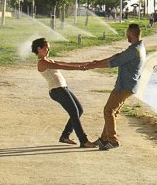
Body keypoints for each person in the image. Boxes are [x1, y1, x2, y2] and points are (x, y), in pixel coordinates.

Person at [80, 23, 145, 151]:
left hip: (124, 86)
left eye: (127, 33)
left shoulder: (134, 51)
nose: (126, 35)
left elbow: (113, 63)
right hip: (128, 85)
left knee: (108, 110)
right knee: (112, 112)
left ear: (131, 33)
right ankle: (104, 139)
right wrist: (97, 62)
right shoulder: (138, 47)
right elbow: (117, 56)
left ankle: (113, 140)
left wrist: (93, 66)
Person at [31, 37, 97, 148]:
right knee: (74, 113)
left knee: (79, 110)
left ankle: (65, 136)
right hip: (57, 90)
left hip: (62, 89)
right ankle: (84, 141)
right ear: (39, 49)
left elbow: (67, 63)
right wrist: (79, 68)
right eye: (47, 48)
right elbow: (60, 66)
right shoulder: (42, 62)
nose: (48, 50)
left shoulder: (48, 60)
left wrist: (88, 63)